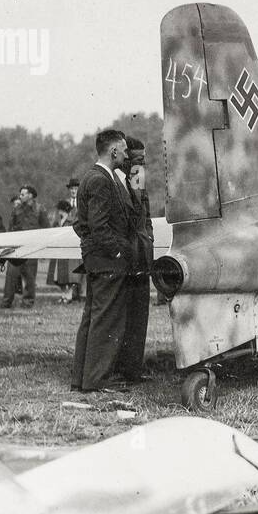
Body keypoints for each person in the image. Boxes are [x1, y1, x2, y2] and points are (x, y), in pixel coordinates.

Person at [71, 129, 134, 393]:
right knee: (106, 320)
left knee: (93, 318)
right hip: (108, 262)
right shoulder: (101, 180)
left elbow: (79, 224)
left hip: (97, 259)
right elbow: (98, 225)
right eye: (124, 150)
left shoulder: (90, 178)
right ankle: (97, 379)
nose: (127, 154)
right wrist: (117, 251)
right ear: (113, 151)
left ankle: (82, 379)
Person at [117, 137, 155, 381]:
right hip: (126, 256)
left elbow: (146, 215)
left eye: (144, 159)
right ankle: (120, 367)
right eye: (138, 159)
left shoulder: (139, 178)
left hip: (142, 254)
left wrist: (149, 238)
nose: (142, 163)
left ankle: (133, 368)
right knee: (123, 314)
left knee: (140, 314)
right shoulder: (118, 182)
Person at [1, 185, 46, 308]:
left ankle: (28, 302)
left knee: (30, 278)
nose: (20, 197)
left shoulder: (40, 209)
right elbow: (10, 228)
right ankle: (6, 302)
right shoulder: (16, 210)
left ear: (30, 195)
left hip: (32, 248)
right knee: (11, 276)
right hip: (17, 249)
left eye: (23, 194)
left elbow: (46, 229)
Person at [47, 199, 80, 301]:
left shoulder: (72, 221)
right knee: (57, 277)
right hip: (58, 251)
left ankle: (68, 295)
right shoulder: (57, 222)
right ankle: (64, 294)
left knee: (68, 277)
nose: (59, 212)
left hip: (67, 252)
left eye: (60, 210)